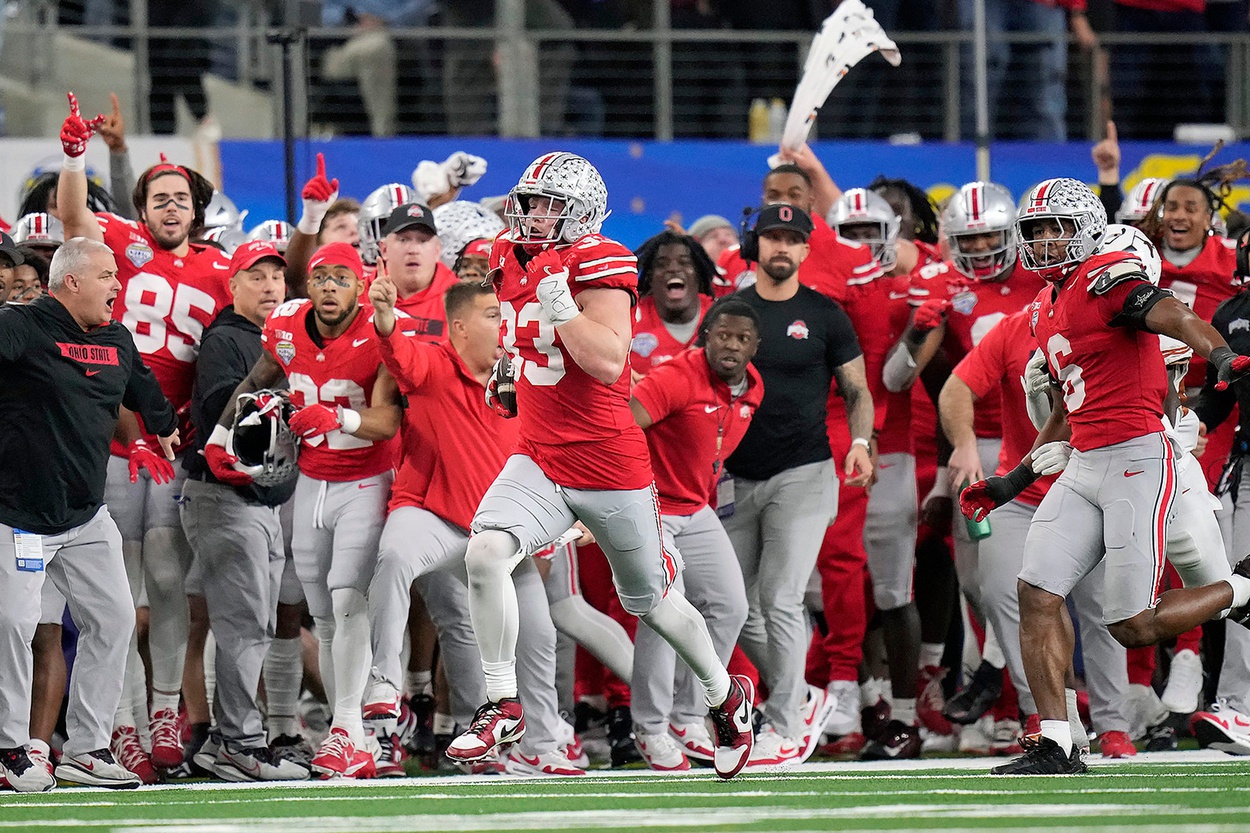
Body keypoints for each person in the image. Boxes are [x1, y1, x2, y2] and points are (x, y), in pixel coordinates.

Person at [448, 151, 756, 781]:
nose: (533, 215)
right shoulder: (509, 254)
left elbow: (611, 363)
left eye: (548, 204)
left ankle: (725, 698)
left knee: (654, 603)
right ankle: (501, 700)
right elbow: (519, 337)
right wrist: (509, 372)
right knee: (483, 553)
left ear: (581, 212)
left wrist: (561, 305)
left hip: (609, 463)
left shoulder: (599, 260)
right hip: (538, 453)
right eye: (528, 201)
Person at [959, 177, 1250, 774]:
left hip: (1140, 457)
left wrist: (1219, 354)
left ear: (1088, 226)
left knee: (1133, 627)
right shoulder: (1042, 307)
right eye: (1035, 230)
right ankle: (1058, 741)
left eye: (1056, 227)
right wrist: (1012, 481)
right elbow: (1069, 409)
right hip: (1086, 459)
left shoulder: (1107, 273)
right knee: (1035, 593)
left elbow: (1167, 311)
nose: (1043, 240)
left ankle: (1244, 589)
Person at [57, 92, 232, 776]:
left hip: (175, 443)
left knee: (166, 579)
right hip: (111, 436)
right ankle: (123, 722)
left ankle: (164, 711)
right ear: (142, 207)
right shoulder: (122, 247)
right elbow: (74, 217)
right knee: (115, 590)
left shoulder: (223, 267)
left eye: (179, 195)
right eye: (157, 196)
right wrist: (80, 154)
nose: (168, 205)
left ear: (196, 207)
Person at [365, 275, 586, 776]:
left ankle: (542, 743)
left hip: (503, 530)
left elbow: (554, 450)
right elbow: (398, 352)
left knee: (536, 633)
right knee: (398, 557)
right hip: (434, 515)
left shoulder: (525, 376)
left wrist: (570, 518)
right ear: (459, 327)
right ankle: (384, 680)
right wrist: (384, 317)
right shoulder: (432, 363)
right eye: (493, 315)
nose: (503, 323)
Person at [203, 241, 402, 779]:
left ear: (360, 286)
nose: (330, 287)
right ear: (306, 286)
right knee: (326, 614)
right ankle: (358, 736)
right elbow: (258, 379)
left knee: (346, 598)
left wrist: (338, 419)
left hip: (367, 479)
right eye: (321, 278)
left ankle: (349, 730)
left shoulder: (378, 330)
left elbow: (387, 421)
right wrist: (220, 437)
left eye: (342, 278)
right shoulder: (288, 323)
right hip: (311, 483)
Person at [0, 237, 177, 791]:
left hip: (84, 516)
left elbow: (142, 389)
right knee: (15, 623)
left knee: (116, 618)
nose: (118, 286)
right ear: (71, 281)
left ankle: (86, 748)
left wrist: (163, 429)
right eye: (107, 276)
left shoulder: (116, 338)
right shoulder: (21, 325)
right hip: (21, 516)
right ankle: (10, 749)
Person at [722, 203, 873, 765]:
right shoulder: (730, 312)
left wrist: (859, 443)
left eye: (792, 238)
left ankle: (784, 724)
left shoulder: (826, 314)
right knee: (733, 605)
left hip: (806, 471)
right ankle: (803, 696)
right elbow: (698, 386)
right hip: (736, 474)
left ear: (808, 250)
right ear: (755, 245)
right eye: (772, 237)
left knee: (782, 597)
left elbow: (857, 390)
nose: (781, 247)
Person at [178, 241, 309, 782]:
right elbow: (222, 417)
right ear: (232, 286)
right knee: (243, 624)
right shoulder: (227, 340)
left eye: (277, 276)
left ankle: (233, 741)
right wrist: (283, 399)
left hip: (256, 500)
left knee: (253, 621)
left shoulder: (278, 339)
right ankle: (237, 742)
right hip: (225, 496)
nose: (270, 285)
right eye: (255, 276)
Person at [628, 297, 763, 771]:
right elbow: (624, 425)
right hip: (651, 507)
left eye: (742, 338)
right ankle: (649, 728)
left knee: (731, 606)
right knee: (666, 609)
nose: (731, 345)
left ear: (755, 347)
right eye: (723, 334)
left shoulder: (753, 388)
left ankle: (687, 716)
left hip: (696, 507)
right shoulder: (674, 377)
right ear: (705, 335)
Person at [630, 230, 717, 377]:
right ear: (650, 277)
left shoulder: (720, 317)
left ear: (698, 273)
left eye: (684, 262)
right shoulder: (628, 319)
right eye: (661, 264)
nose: (673, 269)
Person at [376, 203, 459, 342]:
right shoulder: (359, 295)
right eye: (403, 240)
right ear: (384, 249)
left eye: (423, 241)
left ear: (437, 250)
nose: (413, 250)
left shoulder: (459, 300)